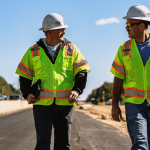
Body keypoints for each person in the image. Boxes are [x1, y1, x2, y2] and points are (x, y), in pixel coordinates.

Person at [15, 13, 90, 150]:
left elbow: (82, 71)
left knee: (63, 144)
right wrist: (27, 93)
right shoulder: (33, 51)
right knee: (43, 142)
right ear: (49, 31)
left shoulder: (72, 49)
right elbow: (24, 75)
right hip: (42, 105)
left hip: (65, 104)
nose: (64, 31)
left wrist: (77, 90)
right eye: (60, 28)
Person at [110, 4, 150, 150]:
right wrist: (115, 105)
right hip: (134, 105)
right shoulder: (124, 49)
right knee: (140, 144)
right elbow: (118, 79)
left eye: (129, 24)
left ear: (141, 25)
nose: (126, 28)